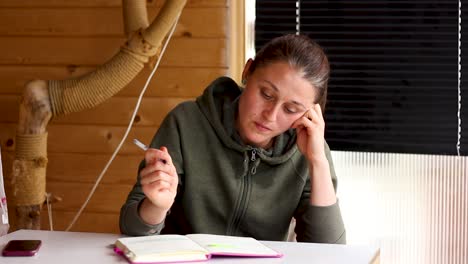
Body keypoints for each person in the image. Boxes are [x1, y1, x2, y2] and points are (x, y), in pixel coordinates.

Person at [119, 34, 346, 243]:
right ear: (247, 71)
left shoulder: (308, 148)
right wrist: (156, 207)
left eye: (291, 109)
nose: (271, 115)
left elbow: (329, 252)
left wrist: (318, 163)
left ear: (309, 114)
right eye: (266, 94)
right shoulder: (186, 123)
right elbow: (131, 230)